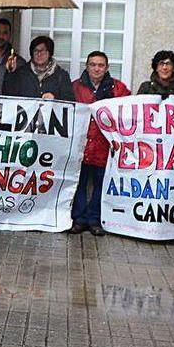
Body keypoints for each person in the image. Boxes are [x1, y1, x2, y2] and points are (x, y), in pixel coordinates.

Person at [70, 51, 130, 234]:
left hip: (105, 146)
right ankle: (79, 219)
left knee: (100, 184)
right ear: (87, 66)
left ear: (107, 68)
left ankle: (95, 219)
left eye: (100, 65)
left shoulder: (118, 89)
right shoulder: (75, 87)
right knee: (78, 183)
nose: (96, 68)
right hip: (81, 144)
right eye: (93, 64)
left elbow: (128, 112)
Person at [3, 36, 75, 101]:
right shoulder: (21, 73)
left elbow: (70, 100)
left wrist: (54, 98)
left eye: (42, 51)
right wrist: (10, 73)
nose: (39, 54)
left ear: (50, 53)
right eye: (36, 51)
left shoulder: (61, 75)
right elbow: (7, 96)